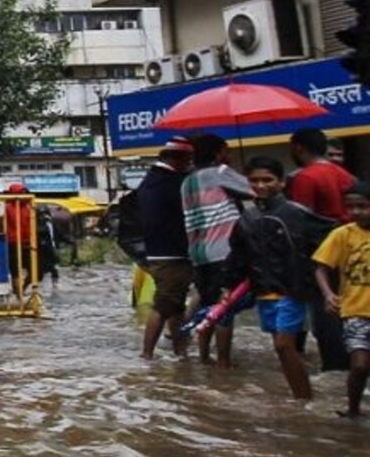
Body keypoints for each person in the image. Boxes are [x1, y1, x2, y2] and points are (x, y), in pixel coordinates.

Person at [238, 155, 329, 401]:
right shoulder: (247, 219)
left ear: (281, 183)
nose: (260, 186)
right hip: (264, 292)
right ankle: (301, 396)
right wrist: (227, 287)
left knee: (283, 345)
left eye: (267, 180)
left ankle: (304, 399)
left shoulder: (297, 213)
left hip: (293, 291)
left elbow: (327, 242)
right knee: (282, 349)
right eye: (254, 181)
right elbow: (239, 255)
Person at [287, 127, 354, 373]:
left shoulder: (305, 178)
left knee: (325, 310)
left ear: (298, 148)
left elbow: (299, 220)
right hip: (350, 249)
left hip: (320, 253)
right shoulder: (344, 175)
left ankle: (335, 368)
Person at [182, 133, 251, 366]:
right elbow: (255, 189)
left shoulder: (187, 181)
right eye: (226, 151)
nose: (229, 155)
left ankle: (204, 358)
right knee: (225, 308)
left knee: (207, 306)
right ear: (218, 153)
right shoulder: (220, 173)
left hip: (198, 254)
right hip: (223, 252)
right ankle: (223, 362)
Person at [312, 179, 370, 418]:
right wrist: (328, 294)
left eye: (363, 206)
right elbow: (320, 266)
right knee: (359, 366)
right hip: (355, 310)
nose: (356, 212)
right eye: (351, 207)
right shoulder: (342, 234)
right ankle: (353, 410)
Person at [135, 137, 195, 360]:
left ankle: (180, 351)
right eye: (188, 159)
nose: (190, 163)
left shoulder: (151, 180)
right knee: (163, 305)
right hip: (171, 253)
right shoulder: (169, 182)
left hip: (159, 252)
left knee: (175, 306)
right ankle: (147, 355)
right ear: (175, 158)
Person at [287, 129, 354, 224]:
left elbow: (300, 216)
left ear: (298, 148)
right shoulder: (343, 173)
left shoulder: (305, 177)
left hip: (322, 234)